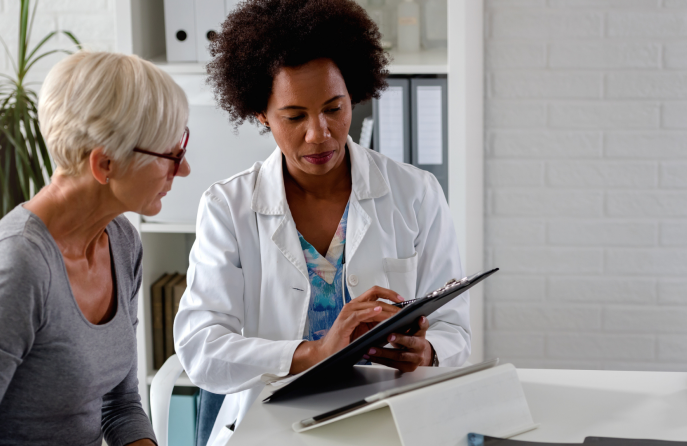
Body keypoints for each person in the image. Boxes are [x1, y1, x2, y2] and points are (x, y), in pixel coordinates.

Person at [174, 0, 470, 444]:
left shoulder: (417, 193)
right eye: (294, 117)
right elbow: (201, 348)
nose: (319, 133)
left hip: (394, 421)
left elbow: (455, 330)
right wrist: (313, 353)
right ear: (261, 113)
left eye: (334, 108)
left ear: (354, 93)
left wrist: (428, 352)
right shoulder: (227, 207)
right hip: (272, 426)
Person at [0, 51, 191, 446]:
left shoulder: (122, 243)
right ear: (104, 164)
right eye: (170, 155)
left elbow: (120, 404)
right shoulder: (17, 270)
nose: (184, 169)